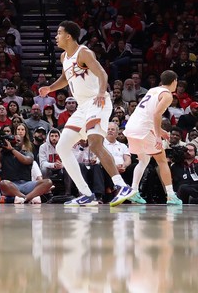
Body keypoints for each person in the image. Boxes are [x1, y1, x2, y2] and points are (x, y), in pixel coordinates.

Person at [38, 21, 132, 206]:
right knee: (62, 147)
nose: (56, 37)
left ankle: (122, 187)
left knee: (95, 144)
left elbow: (103, 74)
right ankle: (87, 194)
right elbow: (65, 78)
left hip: (97, 101)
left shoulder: (84, 52)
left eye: (58, 33)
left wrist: (101, 92)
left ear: (68, 36)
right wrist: (50, 88)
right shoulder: (64, 56)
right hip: (82, 107)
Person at [113, 69, 182, 205]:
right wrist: (157, 136)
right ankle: (171, 195)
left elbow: (147, 113)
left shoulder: (153, 90)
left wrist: (160, 130)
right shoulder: (167, 95)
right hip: (144, 129)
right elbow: (156, 115)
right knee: (162, 160)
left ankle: (134, 191)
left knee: (143, 160)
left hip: (132, 126)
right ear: (174, 81)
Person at [0, 128, 53, 204]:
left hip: (26, 184)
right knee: (3, 183)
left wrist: (12, 149)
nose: (16, 143)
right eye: (14, 141)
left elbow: (26, 160)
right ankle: (28, 198)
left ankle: (24, 198)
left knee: (48, 182)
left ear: (23, 143)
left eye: (18, 141)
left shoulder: (27, 153)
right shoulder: (3, 154)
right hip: (11, 185)